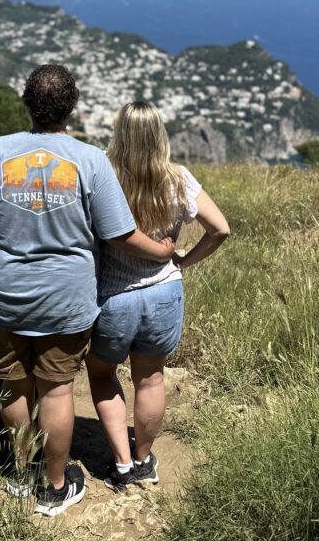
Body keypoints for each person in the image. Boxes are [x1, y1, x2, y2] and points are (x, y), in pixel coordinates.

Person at [0, 66, 175, 517]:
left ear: (26, 103)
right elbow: (117, 233)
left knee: (14, 388)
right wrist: (161, 252)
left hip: (4, 296)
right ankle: (55, 486)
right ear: (72, 106)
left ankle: (20, 474)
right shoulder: (89, 160)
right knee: (55, 392)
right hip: (66, 301)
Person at [86, 101, 230, 492]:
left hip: (113, 296)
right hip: (164, 292)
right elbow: (220, 229)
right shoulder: (179, 179)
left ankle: (120, 463)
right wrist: (182, 261)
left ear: (119, 133)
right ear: (159, 136)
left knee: (101, 375)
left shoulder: (103, 172)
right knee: (150, 379)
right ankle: (144, 461)